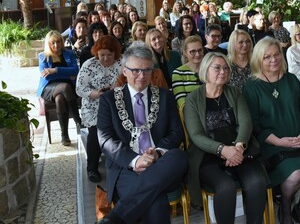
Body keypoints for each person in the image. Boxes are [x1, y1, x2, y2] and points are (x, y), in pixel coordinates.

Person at [96, 44, 188, 224]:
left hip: (161, 163)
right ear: (124, 71)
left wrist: (157, 153)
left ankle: (114, 219)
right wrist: (135, 160)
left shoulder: (164, 96)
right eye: (136, 70)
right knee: (156, 203)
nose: (142, 76)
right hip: (125, 167)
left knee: (179, 156)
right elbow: (105, 140)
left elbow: (176, 133)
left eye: (147, 70)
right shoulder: (109, 100)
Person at [243, 38, 300, 224]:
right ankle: (286, 208)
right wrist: (279, 142)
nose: (273, 60)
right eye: (267, 56)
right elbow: (254, 125)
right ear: (258, 60)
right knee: (295, 176)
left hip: (299, 139)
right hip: (272, 144)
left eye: (277, 54)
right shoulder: (251, 86)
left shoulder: (291, 79)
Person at [184, 53, 269, 222]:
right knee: (225, 187)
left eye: (225, 68)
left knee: (257, 181)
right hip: (207, 155)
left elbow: (246, 122)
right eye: (217, 67)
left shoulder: (234, 92)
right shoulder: (193, 99)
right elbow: (196, 135)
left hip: (239, 150)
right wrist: (222, 150)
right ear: (205, 70)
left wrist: (238, 147)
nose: (222, 71)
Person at [76, 36, 123, 183]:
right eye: (102, 55)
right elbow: (79, 88)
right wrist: (96, 94)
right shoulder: (89, 65)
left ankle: (120, 161)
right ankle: (92, 167)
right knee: (95, 131)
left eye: (109, 55)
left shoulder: (122, 63)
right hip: (93, 105)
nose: (106, 59)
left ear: (115, 53)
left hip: (117, 103)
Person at [37, 30, 81, 146]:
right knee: (65, 87)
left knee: (60, 99)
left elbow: (76, 70)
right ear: (48, 44)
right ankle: (79, 122)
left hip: (67, 89)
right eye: (53, 43)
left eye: (58, 42)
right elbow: (47, 76)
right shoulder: (42, 57)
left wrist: (55, 70)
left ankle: (64, 135)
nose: (56, 45)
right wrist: (67, 73)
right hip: (48, 88)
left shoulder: (68, 53)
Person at [172, 35, 204, 108]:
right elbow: (181, 102)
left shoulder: (210, 70)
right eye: (192, 51)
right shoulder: (178, 73)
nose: (197, 54)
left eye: (200, 50)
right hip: (190, 113)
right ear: (185, 53)